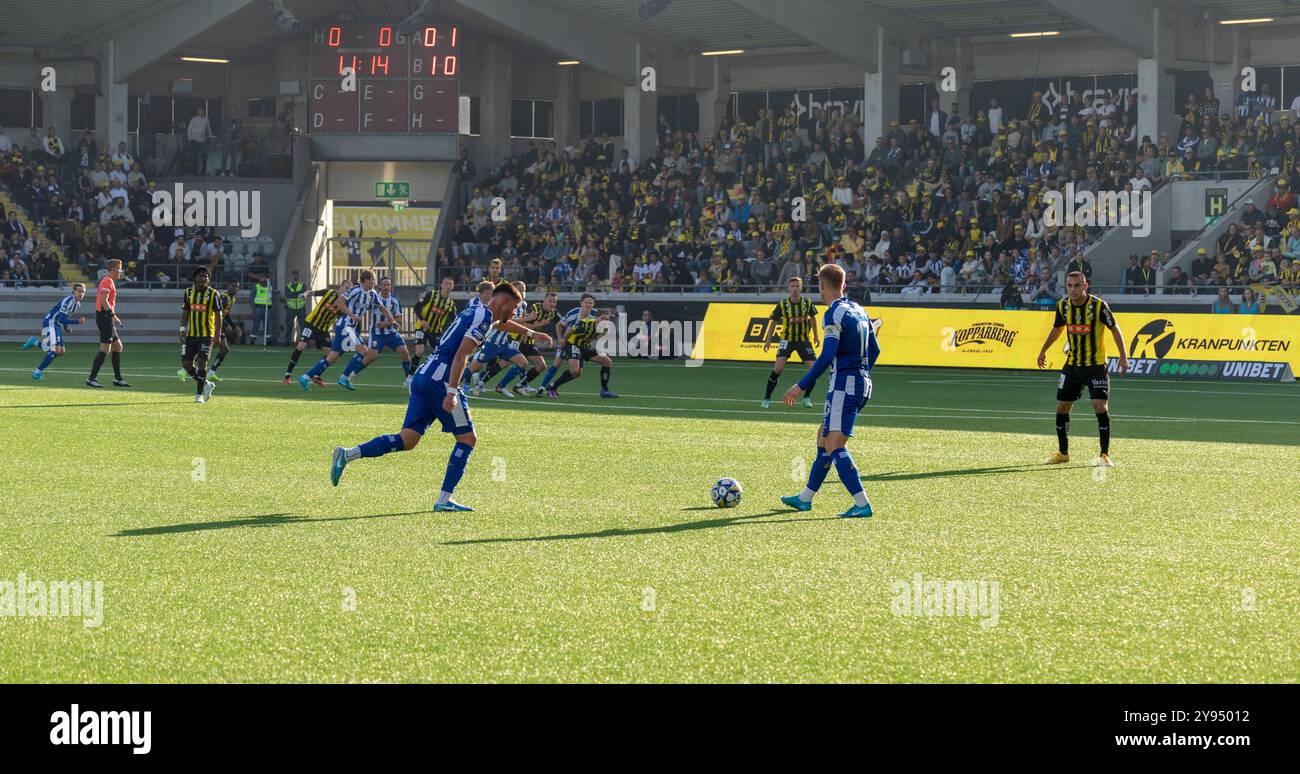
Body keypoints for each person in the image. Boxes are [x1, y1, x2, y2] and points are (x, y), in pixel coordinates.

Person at [328, 281, 552, 512]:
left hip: (425, 374)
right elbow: (461, 355)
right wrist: (452, 392)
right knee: (467, 439)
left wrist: (531, 332)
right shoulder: (484, 319)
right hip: (441, 379)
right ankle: (444, 500)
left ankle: (347, 455)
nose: (516, 312)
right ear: (505, 302)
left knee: (408, 439)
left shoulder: (479, 311)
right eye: (515, 307)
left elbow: (501, 325)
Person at [778, 264, 880, 519]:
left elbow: (827, 354)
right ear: (843, 285)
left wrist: (801, 385)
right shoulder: (859, 310)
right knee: (823, 437)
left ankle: (862, 503)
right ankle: (805, 498)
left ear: (822, 286)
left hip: (845, 384)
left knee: (835, 445)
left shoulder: (833, 313)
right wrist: (862, 371)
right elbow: (875, 350)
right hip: (860, 381)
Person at [1036, 271, 1128, 467]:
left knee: (1100, 406)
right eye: (1069, 285)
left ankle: (1104, 454)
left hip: (1095, 366)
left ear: (1085, 286)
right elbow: (1057, 328)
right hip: (1073, 366)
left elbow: (1114, 328)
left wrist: (1123, 356)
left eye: (1077, 285)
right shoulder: (1063, 306)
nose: (1073, 289)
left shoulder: (1098, 306)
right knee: (1062, 407)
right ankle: (1063, 453)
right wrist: (1043, 350)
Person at [299, 270, 398, 391]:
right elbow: (338, 302)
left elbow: (382, 308)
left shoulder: (372, 294)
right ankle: (344, 377)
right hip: (345, 326)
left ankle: (305, 377)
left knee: (332, 357)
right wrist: (352, 315)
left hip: (348, 327)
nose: (375, 282)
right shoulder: (356, 290)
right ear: (366, 280)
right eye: (373, 280)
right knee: (364, 350)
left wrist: (392, 320)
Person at [339, 277, 413, 387]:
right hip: (376, 333)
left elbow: (399, 318)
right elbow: (360, 305)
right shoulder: (372, 297)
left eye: (388, 285)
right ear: (380, 286)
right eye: (384, 285)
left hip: (391, 333)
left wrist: (386, 324)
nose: (386, 287)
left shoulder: (394, 301)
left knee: (404, 352)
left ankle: (408, 379)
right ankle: (352, 375)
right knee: (371, 356)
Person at [760, 276, 820, 408]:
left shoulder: (808, 303)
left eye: (797, 286)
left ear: (801, 287)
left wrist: (816, 336)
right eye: (792, 286)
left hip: (803, 340)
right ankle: (767, 398)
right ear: (788, 288)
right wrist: (768, 340)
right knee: (777, 369)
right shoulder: (782, 305)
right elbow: (773, 322)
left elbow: (813, 319)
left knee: (814, 369)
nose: (795, 289)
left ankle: (806, 397)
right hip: (787, 340)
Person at [283, 280, 350, 383]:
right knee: (301, 346)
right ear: (340, 287)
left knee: (333, 356)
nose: (347, 290)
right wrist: (305, 294)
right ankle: (288, 375)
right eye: (346, 288)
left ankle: (316, 375)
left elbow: (342, 320)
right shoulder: (329, 293)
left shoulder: (344, 306)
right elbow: (312, 292)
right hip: (311, 324)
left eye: (350, 289)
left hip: (323, 330)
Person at [501, 291, 560, 395]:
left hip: (529, 342)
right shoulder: (535, 309)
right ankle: (499, 385)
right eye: (550, 301)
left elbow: (563, 321)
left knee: (541, 365)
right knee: (510, 363)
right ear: (544, 300)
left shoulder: (553, 312)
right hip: (518, 339)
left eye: (554, 302)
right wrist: (540, 324)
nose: (552, 304)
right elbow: (523, 326)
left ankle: (520, 385)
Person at [178, 266, 222, 403]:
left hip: (206, 335)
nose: (204, 278)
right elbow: (186, 312)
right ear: (195, 278)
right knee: (186, 364)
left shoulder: (214, 294)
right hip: (191, 334)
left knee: (202, 364)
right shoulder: (188, 293)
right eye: (201, 276)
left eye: (206, 276)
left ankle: (199, 395)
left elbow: (218, 315)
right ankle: (207, 384)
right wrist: (182, 329)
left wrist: (217, 334)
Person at [24, 283, 86, 379]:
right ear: (74, 291)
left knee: (61, 351)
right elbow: (61, 319)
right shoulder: (68, 301)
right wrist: (78, 322)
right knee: (55, 351)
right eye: (79, 291)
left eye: (83, 292)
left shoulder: (77, 304)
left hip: (56, 325)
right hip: (50, 322)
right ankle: (37, 372)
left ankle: (35, 342)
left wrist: (66, 328)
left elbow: (65, 316)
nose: (81, 293)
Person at [86, 259, 130, 388]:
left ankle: (117, 379)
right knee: (105, 349)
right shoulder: (107, 281)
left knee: (118, 347)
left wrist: (112, 316)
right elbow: (104, 300)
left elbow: (106, 301)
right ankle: (91, 378)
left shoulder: (109, 281)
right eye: (119, 271)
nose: (120, 273)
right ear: (114, 270)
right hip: (104, 317)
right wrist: (113, 316)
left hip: (106, 317)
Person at [412, 276, 458, 362]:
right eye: (446, 283)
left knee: (441, 352)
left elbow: (455, 319)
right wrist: (423, 320)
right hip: (422, 328)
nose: (448, 286)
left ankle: (431, 367)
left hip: (436, 332)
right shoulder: (431, 294)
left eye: (450, 284)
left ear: (453, 287)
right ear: (441, 285)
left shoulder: (451, 304)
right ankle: (410, 374)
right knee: (419, 351)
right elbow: (416, 307)